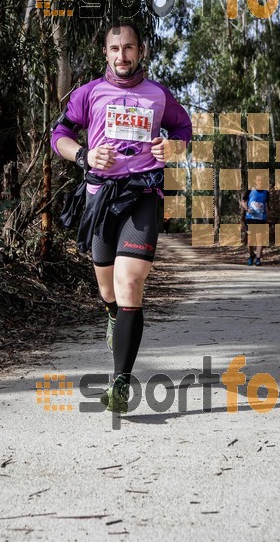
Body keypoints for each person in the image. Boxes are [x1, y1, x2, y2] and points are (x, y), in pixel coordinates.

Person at [51, 21, 192, 413]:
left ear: (140, 50)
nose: (122, 56)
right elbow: (59, 133)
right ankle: (112, 315)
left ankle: (121, 382)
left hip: (143, 194)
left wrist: (173, 147)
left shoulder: (159, 95)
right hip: (100, 198)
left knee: (130, 280)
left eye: (129, 48)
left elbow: (183, 129)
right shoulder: (89, 93)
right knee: (107, 288)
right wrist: (83, 155)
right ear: (106, 54)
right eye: (115, 49)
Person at [241, 173, 270, 266]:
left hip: (261, 219)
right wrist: (247, 209)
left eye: (261, 180)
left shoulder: (266, 193)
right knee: (250, 240)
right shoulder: (250, 191)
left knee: (260, 239)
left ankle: (258, 259)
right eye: (258, 180)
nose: (260, 182)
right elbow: (243, 201)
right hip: (250, 218)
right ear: (255, 181)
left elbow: (267, 206)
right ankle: (251, 255)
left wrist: (268, 216)